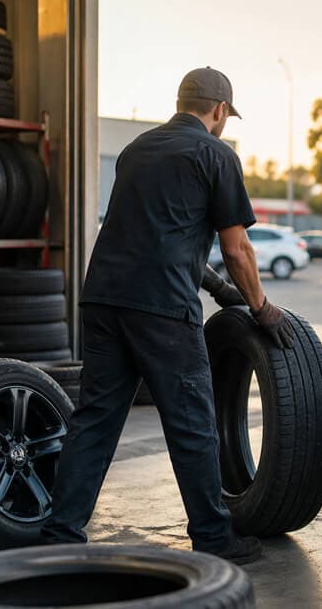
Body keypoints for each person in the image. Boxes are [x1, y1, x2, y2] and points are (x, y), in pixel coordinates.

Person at [41, 67, 293, 564]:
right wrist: (261, 307)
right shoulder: (217, 154)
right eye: (226, 115)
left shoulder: (137, 150)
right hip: (161, 309)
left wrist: (220, 290)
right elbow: (238, 246)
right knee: (192, 422)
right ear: (220, 110)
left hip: (104, 299)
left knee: (96, 419)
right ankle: (215, 538)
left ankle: (60, 534)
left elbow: (157, 234)